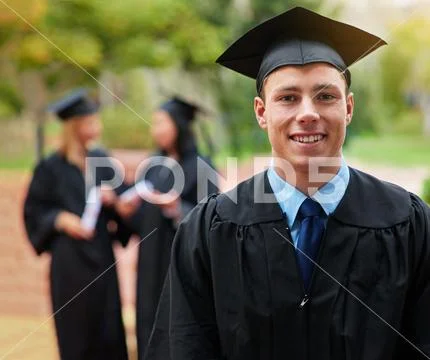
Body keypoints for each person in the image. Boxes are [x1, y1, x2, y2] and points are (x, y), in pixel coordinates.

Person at [145, 7, 430, 360]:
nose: (308, 113)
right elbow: (184, 346)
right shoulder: (210, 230)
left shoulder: (409, 223)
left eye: (326, 96)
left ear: (349, 107)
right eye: (288, 98)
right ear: (262, 112)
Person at [23, 89, 131, 360]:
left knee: (108, 332)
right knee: (75, 332)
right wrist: (59, 219)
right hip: (69, 261)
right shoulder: (50, 167)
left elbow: (125, 204)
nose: (98, 127)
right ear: (75, 126)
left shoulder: (102, 161)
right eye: (91, 122)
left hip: (101, 257)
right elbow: (34, 209)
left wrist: (114, 201)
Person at [124, 97, 219, 359]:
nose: (155, 129)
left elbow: (213, 219)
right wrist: (125, 210)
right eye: (153, 123)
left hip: (181, 262)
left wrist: (178, 209)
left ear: (178, 125)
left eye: (161, 122)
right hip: (150, 262)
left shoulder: (202, 166)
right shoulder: (153, 165)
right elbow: (139, 222)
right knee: (148, 320)